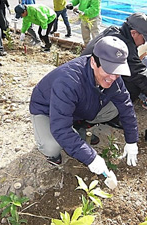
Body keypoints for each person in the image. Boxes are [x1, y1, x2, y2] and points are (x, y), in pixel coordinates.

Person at [29, 36, 139, 175]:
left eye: (117, 71)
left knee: (115, 108)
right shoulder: (68, 81)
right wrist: (91, 158)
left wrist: (131, 141)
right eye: (109, 70)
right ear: (93, 62)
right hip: (47, 110)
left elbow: (126, 105)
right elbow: (61, 128)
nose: (113, 77)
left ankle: (79, 126)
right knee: (52, 146)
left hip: (78, 106)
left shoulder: (113, 77)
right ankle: (58, 147)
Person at [82, 13, 147, 108]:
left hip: (84, 76)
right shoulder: (123, 46)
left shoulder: (113, 31)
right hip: (88, 87)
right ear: (133, 33)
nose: (144, 42)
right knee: (133, 85)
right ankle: (113, 112)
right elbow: (141, 76)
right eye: (144, 38)